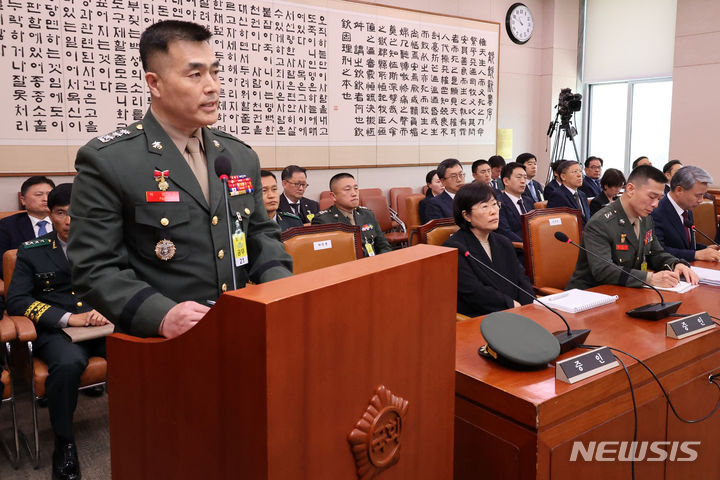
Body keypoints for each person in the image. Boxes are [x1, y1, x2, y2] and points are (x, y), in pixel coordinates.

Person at [68, 20, 293, 339]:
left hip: (242, 328)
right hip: (162, 346)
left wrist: (280, 285)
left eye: (215, 72)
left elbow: (259, 233)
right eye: (195, 74)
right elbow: (94, 267)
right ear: (155, 84)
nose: (212, 86)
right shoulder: (110, 160)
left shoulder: (239, 156)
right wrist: (160, 315)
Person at [6, 184, 110, 480]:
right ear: (49, 215)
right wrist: (66, 318)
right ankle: (65, 444)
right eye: (61, 213)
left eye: (76, 213)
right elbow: (17, 300)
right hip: (59, 332)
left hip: (102, 325)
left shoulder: (103, 246)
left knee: (141, 346)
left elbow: (119, 281)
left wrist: (107, 306)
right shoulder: (31, 251)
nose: (69, 221)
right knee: (68, 364)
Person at [567, 165, 699, 290]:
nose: (656, 204)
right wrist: (649, 278)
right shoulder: (601, 223)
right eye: (652, 197)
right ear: (630, 189)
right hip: (591, 295)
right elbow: (603, 270)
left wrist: (676, 264)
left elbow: (655, 252)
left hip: (625, 291)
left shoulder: (645, 218)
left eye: (659, 199)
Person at [443, 183, 534, 317]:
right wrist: (510, 304)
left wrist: (529, 305)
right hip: (482, 319)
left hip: (516, 313)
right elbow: (474, 292)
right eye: (485, 206)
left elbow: (521, 280)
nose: (493, 211)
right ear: (466, 216)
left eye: (494, 204)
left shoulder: (504, 242)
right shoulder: (455, 248)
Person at [312, 173, 391, 257]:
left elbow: (383, 245)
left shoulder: (367, 214)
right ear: (333, 196)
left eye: (356, 188)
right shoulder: (323, 221)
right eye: (347, 189)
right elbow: (324, 257)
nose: (354, 193)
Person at [651, 166, 720, 262]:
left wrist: (706, 249)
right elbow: (658, 251)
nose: (701, 200)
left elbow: (685, 245)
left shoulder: (687, 208)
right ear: (679, 190)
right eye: (698, 195)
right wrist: (695, 254)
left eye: (703, 195)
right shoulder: (656, 212)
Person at [0, 175, 56, 279]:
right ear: (23, 200)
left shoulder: (66, 222)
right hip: (25, 282)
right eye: (38, 195)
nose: (45, 199)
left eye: (49, 194)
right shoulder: (6, 226)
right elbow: (2, 263)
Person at [497, 162, 535, 243]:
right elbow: (505, 232)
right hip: (517, 249)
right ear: (506, 181)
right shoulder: (499, 204)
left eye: (525, 178)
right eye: (519, 177)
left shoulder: (528, 201)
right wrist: (529, 245)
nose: (523, 181)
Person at [422, 158, 466, 223]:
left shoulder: (473, 197)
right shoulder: (434, 204)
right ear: (442, 181)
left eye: (461, 174)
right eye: (454, 176)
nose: (459, 179)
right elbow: (439, 231)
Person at [547, 160, 591, 225]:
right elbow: (557, 223)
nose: (579, 175)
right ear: (563, 177)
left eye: (580, 171)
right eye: (575, 172)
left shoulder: (582, 194)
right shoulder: (557, 195)